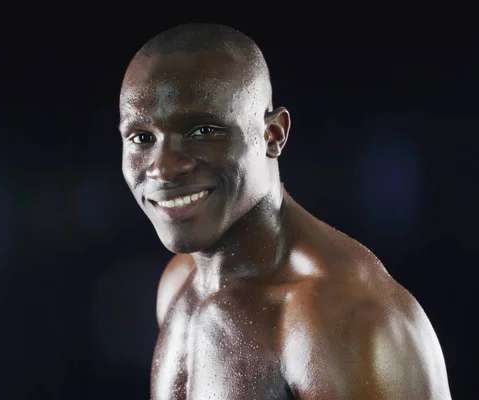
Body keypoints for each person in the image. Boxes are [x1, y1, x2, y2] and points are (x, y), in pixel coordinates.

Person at [118, 23, 451, 400]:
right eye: (142, 138)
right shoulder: (179, 282)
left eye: (203, 130)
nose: (163, 168)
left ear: (273, 135)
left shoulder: (348, 320)